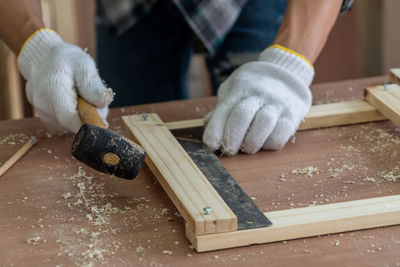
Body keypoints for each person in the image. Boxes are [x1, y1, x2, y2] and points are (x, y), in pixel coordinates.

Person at [0, 0, 352, 156]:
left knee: (256, 130)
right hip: (132, 5)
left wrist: (289, 62)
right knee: (130, 119)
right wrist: (37, 46)